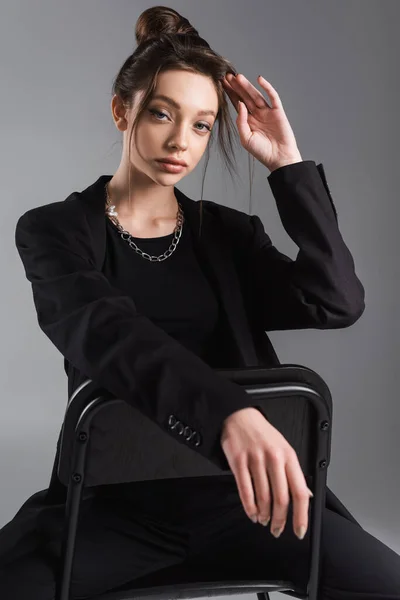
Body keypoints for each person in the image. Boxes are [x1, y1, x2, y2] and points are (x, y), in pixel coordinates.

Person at [1, 5, 399, 599]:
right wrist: (230, 413)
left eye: (202, 125)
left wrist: (288, 167)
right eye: (163, 114)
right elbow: (111, 335)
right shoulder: (55, 231)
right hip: (116, 507)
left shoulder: (229, 235)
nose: (180, 142)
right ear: (122, 111)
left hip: (247, 501)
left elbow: (335, 300)